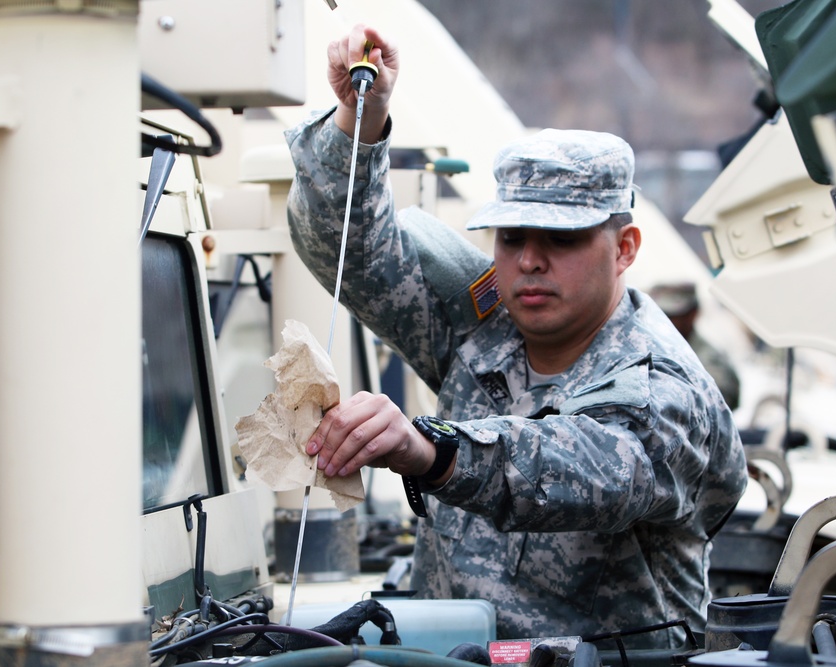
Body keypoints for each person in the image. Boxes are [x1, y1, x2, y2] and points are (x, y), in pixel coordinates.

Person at [284, 25, 746, 649]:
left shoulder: (661, 386)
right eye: (512, 237)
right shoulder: (482, 328)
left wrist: (431, 451)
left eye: (561, 240)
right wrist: (359, 117)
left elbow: (581, 468)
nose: (529, 261)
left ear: (625, 248)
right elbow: (345, 250)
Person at [649, 282, 741, 410]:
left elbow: (716, 403)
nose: (664, 320)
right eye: (660, 314)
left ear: (692, 314)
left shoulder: (707, 359)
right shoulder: (651, 348)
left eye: (673, 316)